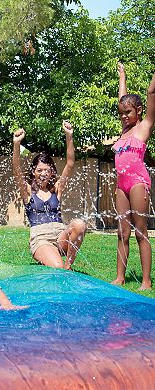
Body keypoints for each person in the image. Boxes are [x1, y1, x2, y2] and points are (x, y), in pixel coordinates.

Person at [12, 120, 86, 269]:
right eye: (40, 170)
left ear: (52, 172)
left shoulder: (57, 189)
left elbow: (70, 163)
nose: (43, 173)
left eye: (47, 170)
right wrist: (16, 144)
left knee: (80, 224)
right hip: (41, 239)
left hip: (60, 236)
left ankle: (68, 265)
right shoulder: (28, 192)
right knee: (56, 266)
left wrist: (69, 136)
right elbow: (16, 169)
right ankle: (54, 260)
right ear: (34, 172)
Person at [111, 63, 155, 290]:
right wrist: (122, 76)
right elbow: (123, 98)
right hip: (121, 186)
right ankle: (120, 277)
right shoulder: (124, 131)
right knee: (122, 232)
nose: (123, 116)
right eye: (121, 113)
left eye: (128, 112)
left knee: (140, 231)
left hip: (138, 182)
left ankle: (146, 281)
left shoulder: (144, 127)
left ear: (139, 111)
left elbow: (150, 94)